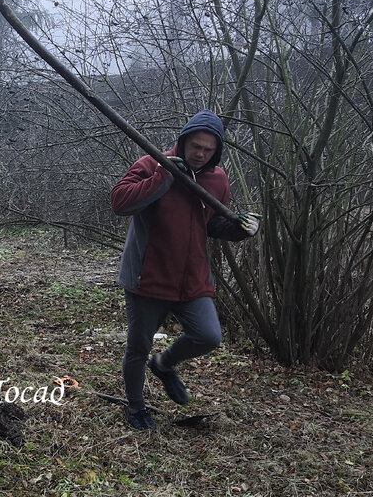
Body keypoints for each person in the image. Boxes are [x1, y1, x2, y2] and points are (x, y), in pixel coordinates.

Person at [109, 110, 261, 431]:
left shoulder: (217, 179)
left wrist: (239, 229)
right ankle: (136, 408)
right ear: (183, 141)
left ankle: (164, 364)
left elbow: (213, 225)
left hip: (191, 279)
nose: (200, 154)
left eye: (208, 149)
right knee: (138, 348)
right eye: (195, 146)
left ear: (216, 152)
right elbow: (120, 202)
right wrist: (162, 177)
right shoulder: (153, 163)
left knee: (208, 336)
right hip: (147, 277)